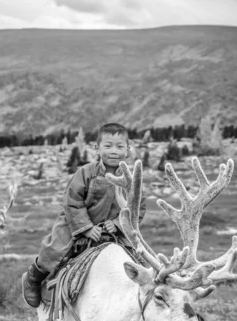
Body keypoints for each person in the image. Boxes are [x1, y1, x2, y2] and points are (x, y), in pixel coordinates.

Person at [22, 122, 146, 308]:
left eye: (120, 146)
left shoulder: (131, 179)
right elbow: (72, 201)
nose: (114, 151)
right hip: (76, 224)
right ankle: (33, 278)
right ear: (97, 148)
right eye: (108, 146)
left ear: (128, 150)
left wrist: (118, 224)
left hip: (114, 232)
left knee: (138, 261)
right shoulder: (85, 172)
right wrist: (86, 228)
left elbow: (138, 208)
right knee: (55, 250)